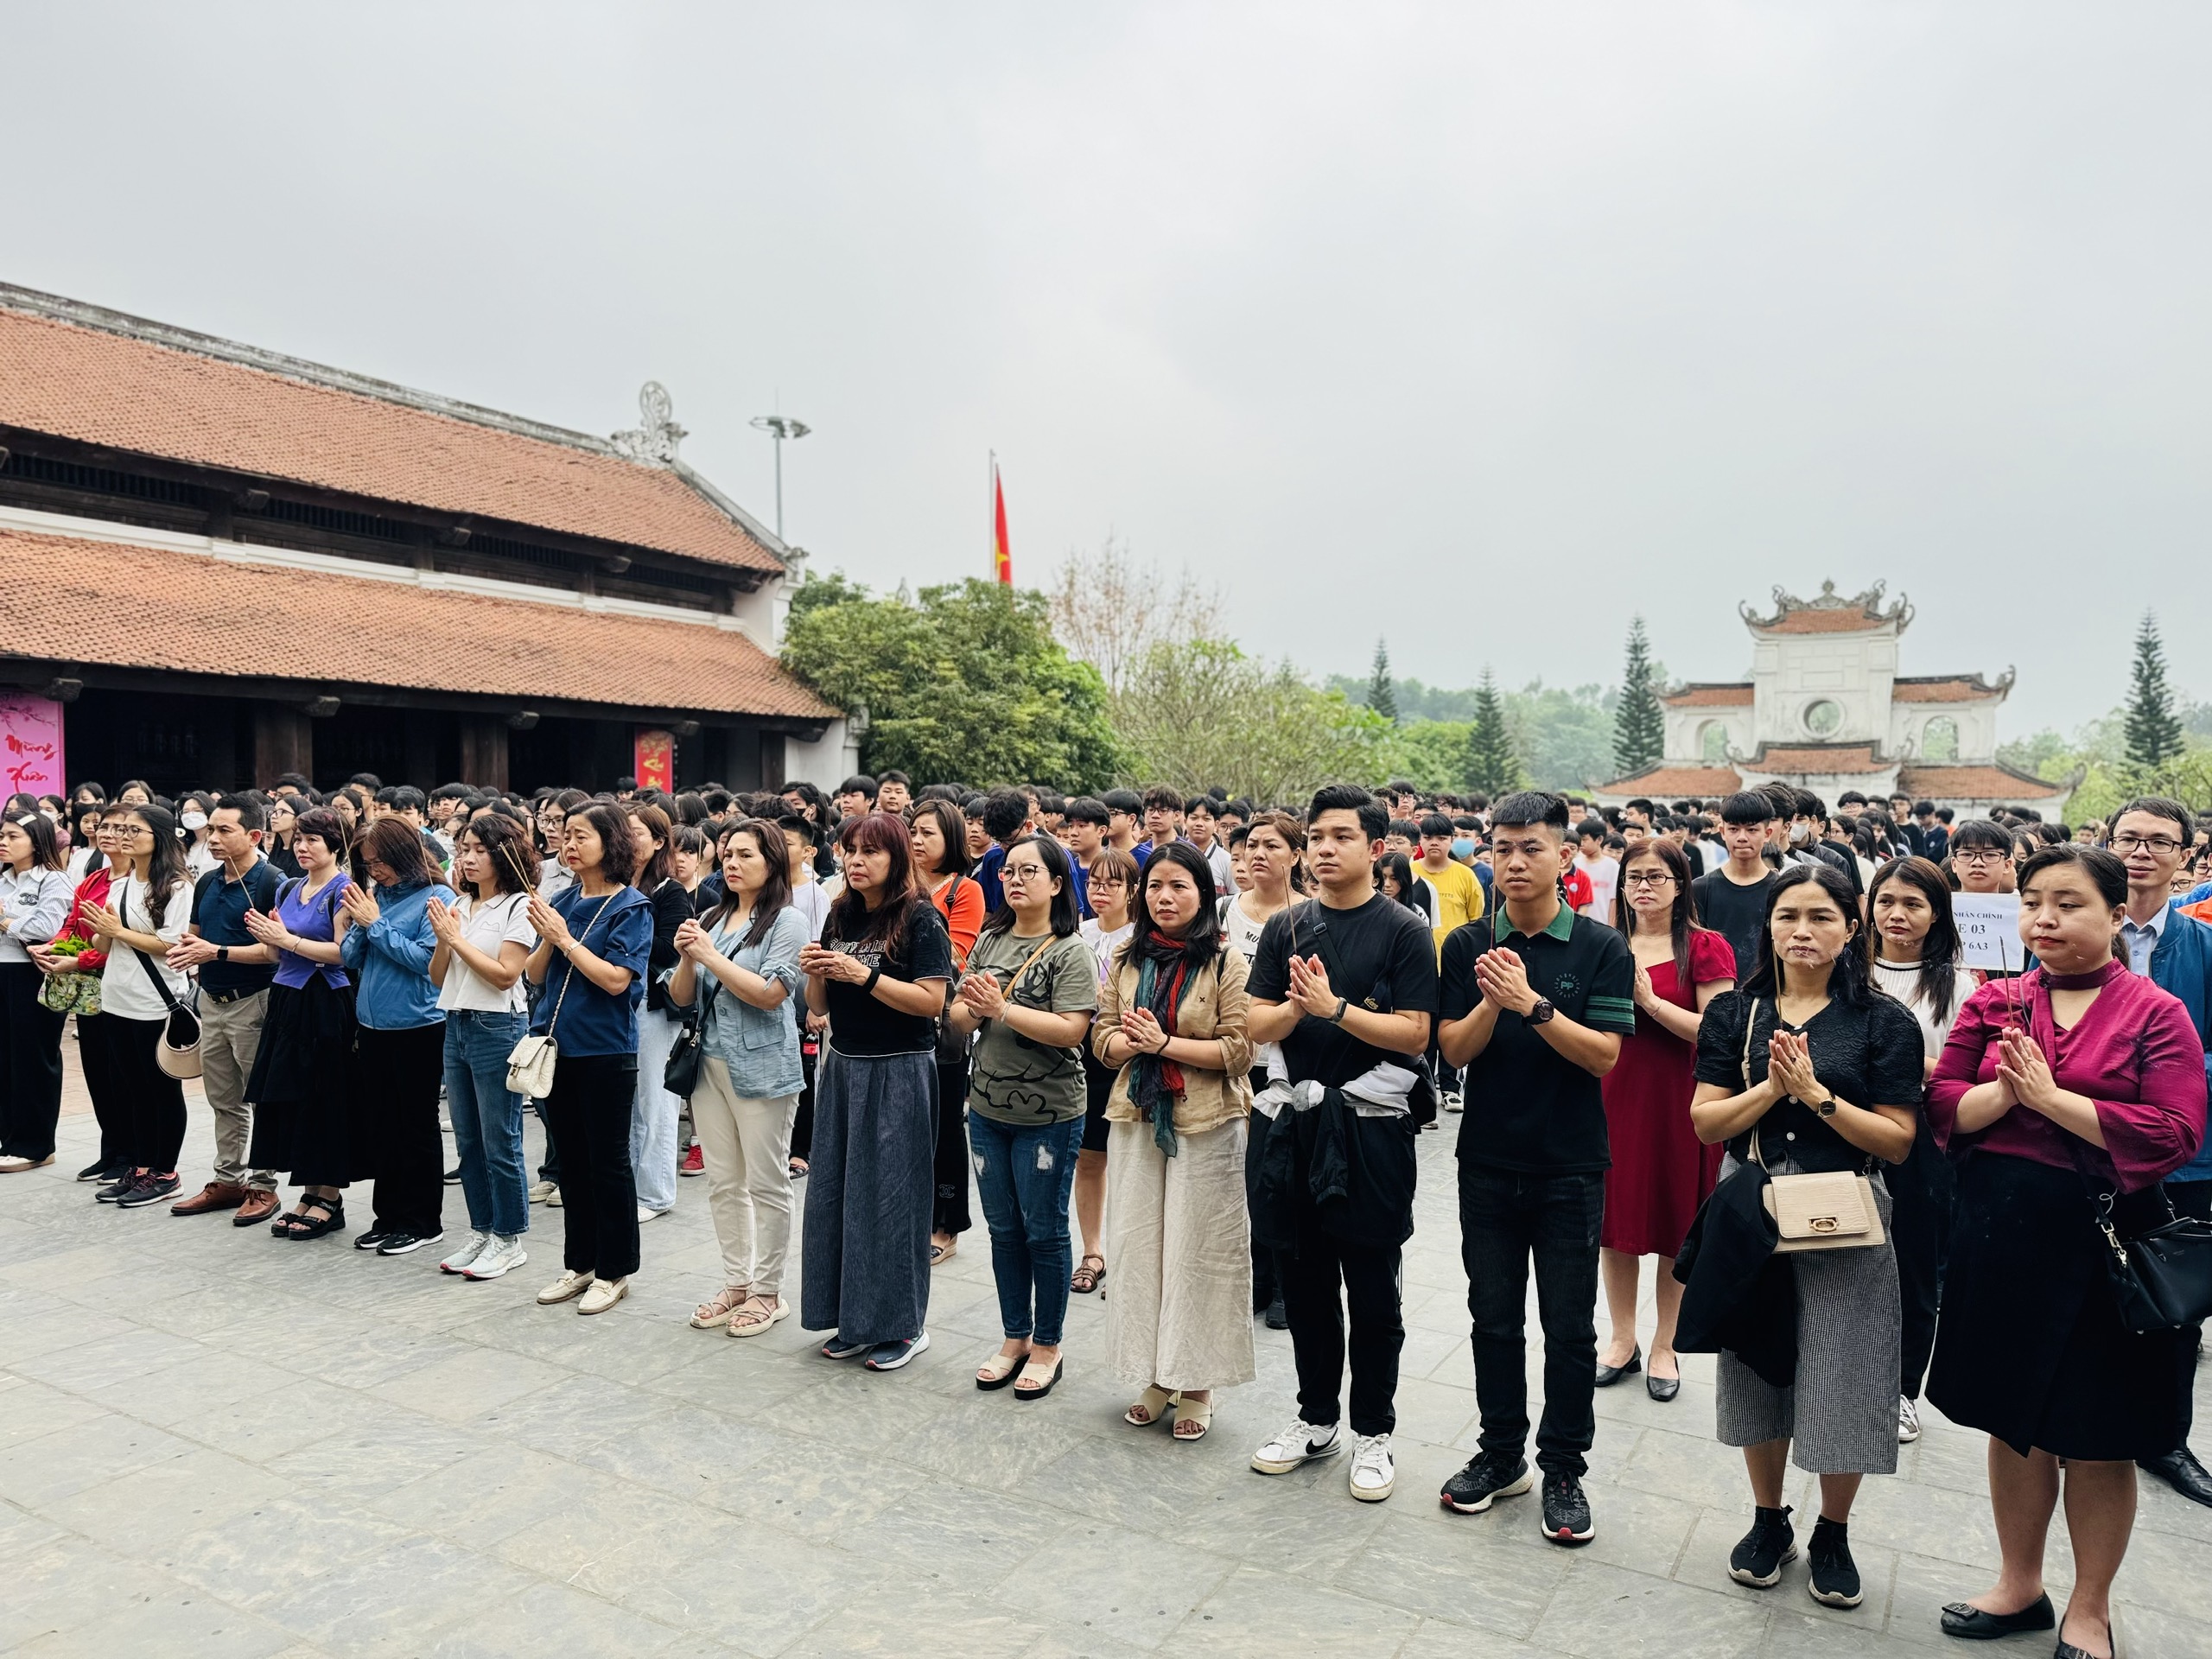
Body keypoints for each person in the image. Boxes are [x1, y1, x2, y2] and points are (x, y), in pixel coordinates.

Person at [1925, 844, 2206, 1659]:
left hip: (2105, 1249)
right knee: (2013, 1424)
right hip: (2003, 1237)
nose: (2044, 919)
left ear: (2117, 915)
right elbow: (1943, 1104)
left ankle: (2091, 1608)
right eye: (2033, 903)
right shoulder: (1998, 1001)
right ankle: (2019, 1584)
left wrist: (2051, 1100)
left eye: (2068, 904)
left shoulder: (2156, 1012)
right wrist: (2004, 1094)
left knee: (2098, 1435)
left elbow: (2175, 1132)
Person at [1685, 862, 1922, 1610]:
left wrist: (1818, 1096)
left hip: (1846, 1210)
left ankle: (1833, 1530)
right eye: (1788, 916)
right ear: (1769, 926)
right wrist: (1771, 1088)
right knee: (1757, 1362)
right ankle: (1768, 1519)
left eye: (1821, 917)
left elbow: (1897, 1141)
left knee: (1845, 1370)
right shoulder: (1736, 1012)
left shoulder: (1884, 1020)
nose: (1802, 931)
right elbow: (1706, 1122)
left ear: (1852, 928)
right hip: (1754, 1204)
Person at [1436, 791, 1636, 1544]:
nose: (1515, 862)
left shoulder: (1600, 947)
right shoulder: (1466, 945)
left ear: (1565, 855)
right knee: (1492, 1318)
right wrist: (1493, 1001)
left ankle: (1564, 1469)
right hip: (1486, 1160)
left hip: (1570, 1166)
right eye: (1503, 848)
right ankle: (1500, 1454)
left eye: (1532, 848)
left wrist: (1532, 1004)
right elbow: (1454, 1050)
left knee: (1569, 1328)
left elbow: (1604, 1056)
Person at [1246, 785, 1437, 1504]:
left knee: (1373, 1288)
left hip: (1372, 1128)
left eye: (1341, 837)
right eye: (1317, 837)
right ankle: (1316, 1418)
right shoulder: (1288, 926)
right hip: (1293, 1123)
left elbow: (1416, 1033)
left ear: (1376, 847)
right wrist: (1298, 1011)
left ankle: (1374, 1431)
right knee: (1303, 1282)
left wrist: (1336, 1009)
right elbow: (1255, 1023)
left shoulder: (1404, 930)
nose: (1324, 849)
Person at [1096, 840, 1255, 1440]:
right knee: (1140, 1247)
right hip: (1137, 1113)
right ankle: (1157, 1374)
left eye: (1179, 886)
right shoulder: (1125, 956)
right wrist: (1131, 1043)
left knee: (1199, 1252)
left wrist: (1163, 1044)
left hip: (1208, 1121)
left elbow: (1239, 1050)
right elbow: (1102, 1040)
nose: (1165, 897)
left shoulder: (1226, 960)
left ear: (1205, 894)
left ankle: (1198, 1383)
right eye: (1156, 886)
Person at [798, 811, 955, 1371]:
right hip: (844, 1068)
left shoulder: (921, 917)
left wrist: (861, 975)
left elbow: (932, 1002)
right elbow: (818, 1005)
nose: (857, 861)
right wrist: (817, 970)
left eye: (871, 851)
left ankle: (904, 1327)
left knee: (894, 1200)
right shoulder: (840, 912)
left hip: (900, 1071)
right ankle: (853, 1319)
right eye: (850, 850)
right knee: (837, 1196)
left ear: (897, 857)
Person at [948, 834, 1097, 1400]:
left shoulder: (1070, 950)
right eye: (1008, 871)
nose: (1014, 879)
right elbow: (958, 1020)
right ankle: (1015, 1336)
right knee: (1004, 1230)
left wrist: (1001, 1008)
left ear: (1057, 884)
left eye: (1028, 871)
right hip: (987, 1107)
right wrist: (971, 1009)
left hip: (1050, 1114)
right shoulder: (990, 938)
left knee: (1044, 1229)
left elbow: (1072, 1031)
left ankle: (1048, 1345)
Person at [1594, 836, 1734, 1402]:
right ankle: (1621, 1338)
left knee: (1678, 1223)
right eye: (1634, 877)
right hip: (1612, 1093)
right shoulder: (1605, 943)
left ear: (1681, 885)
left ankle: (1665, 1345)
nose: (1644, 887)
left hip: (1682, 1098)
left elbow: (1718, 1030)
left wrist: (1650, 1003)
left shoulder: (1705, 946)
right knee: (1616, 1221)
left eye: (1657, 876)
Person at [2101, 798, 2212, 1509]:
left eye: (2159, 842)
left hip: (2181, 1151)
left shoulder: (2203, 947)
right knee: (2084, 1285)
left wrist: (2166, 1076)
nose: (2141, 853)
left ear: (2186, 856)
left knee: (2176, 1301)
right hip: (2082, 1143)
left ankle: (2166, 1438)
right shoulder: (2069, 929)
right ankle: (2078, 1422)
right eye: (2129, 839)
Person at [667, 818, 809, 1338]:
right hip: (708, 1064)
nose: (732, 863)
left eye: (746, 855)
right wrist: (688, 959)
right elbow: (682, 996)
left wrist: (708, 954)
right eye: (728, 854)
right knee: (723, 1181)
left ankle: (768, 1292)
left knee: (766, 1182)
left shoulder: (787, 921)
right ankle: (736, 1283)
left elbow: (771, 995)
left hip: (763, 1066)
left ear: (772, 862)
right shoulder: (712, 915)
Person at [524, 802, 654, 1316]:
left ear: (610, 842)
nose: (570, 844)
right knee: (572, 1162)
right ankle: (580, 1263)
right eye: (566, 834)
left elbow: (617, 981)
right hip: (557, 1045)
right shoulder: (561, 898)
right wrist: (547, 937)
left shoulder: (631, 907)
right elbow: (535, 975)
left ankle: (614, 1270)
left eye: (582, 835)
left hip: (605, 1049)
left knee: (607, 1163)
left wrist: (563, 938)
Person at [1864, 855, 1975, 1445]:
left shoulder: (1959, 985)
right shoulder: (1846, 969)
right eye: (1886, 901)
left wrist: (1901, 1064)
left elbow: (1962, 1075)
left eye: (1913, 904)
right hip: (1846, 1131)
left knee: (1912, 1268)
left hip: (1923, 1141)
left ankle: (1903, 1388)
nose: (1897, 914)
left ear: (1937, 914)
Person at [425, 815, 540, 1281]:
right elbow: (438, 977)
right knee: (468, 1139)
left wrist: (455, 939)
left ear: (504, 854)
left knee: (500, 1139)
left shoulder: (519, 905)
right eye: (464, 849)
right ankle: (482, 1229)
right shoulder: (460, 904)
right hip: (456, 1021)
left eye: (479, 850)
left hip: (498, 1025)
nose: (468, 858)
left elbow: (506, 975)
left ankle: (508, 1238)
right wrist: (444, 942)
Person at [164, 796, 283, 1222]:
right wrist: (186, 950)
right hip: (211, 1003)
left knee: (261, 1098)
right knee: (223, 1099)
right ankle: (228, 1180)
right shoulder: (208, 882)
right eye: (210, 830)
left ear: (254, 836)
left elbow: (275, 952)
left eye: (224, 830)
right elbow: (194, 936)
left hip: (254, 1001)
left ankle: (264, 1185)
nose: (212, 838)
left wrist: (214, 952)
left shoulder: (272, 882)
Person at [244, 808, 361, 1238]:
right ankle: (309, 1193)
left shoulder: (344, 889)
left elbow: (344, 954)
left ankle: (329, 1196)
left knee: (325, 1098)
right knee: (292, 1099)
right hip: (286, 999)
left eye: (313, 839)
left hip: (324, 1002)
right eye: (299, 839)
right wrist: (269, 938)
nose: (302, 847)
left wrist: (287, 940)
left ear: (335, 845)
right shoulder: (289, 887)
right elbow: (275, 954)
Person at [339, 818, 448, 1256]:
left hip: (419, 1025)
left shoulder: (437, 897)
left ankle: (423, 1221)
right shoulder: (377, 895)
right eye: (367, 863)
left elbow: (424, 961)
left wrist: (376, 925)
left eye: (380, 861)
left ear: (404, 855)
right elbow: (350, 957)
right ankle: (388, 1217)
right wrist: (358, 922)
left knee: (416, 1126)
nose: (375, 871)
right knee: (382, 1124)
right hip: (372, 1025)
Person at [83, 804, 195, 1207]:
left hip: (155, 1002)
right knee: (132, 1089)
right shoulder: (122, 883)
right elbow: (105, 944)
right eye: (122, 829)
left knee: (161, 1089)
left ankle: (167, 1172)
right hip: (116, 997)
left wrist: (118, 930)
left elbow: (171, 945)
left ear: (158, 837)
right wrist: (101, 930)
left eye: (135, 830)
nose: (124, 836)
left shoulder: (177, 887)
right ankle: (142, 1166)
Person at [30, 809, 127, 1182]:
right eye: (104, 827)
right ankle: (111, 1150)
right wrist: (53, 947)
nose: (108, 834)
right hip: (87, 988)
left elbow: (122, 942)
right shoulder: (92, 880)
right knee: (97, 1071)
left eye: (120, 828)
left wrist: (78, 960)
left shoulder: (136, 883)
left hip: (119, 984)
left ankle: (130, 1155)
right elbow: (71, 924)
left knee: (122, 1073)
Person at [910, 798, 983, 1266]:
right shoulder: (898, 883)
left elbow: (956, 956)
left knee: (945, 1126)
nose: (917, 841)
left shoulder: (963, 890)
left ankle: (947, 1222)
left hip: (942, 1024)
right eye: (913, 832)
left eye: (928, 833)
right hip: (896, 1020)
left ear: (951, 839)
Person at [1072, 847, 1140, 1296]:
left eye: (1113, 883)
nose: (1102, 891)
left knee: (1133, 1159)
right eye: (1095, 882)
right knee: (1090, 1156)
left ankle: (1132, 1255)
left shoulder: (1142, 939)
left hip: (1129, 1051)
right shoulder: (1079, 933)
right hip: (1085, 1050)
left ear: (1132, 890)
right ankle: (1092, 1251)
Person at [0, 810, 74, 1173]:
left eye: (13, 836)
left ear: (36, 840)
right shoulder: (4, 878)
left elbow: (46, 928)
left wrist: (4, 919)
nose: (4, 842)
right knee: (5, 1058)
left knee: (33, 1058)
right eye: (2, 835)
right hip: (3, 970)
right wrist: (15, 922)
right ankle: (9, 1138)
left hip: (32, 974)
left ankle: (36, 1144)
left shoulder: (53, 879)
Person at [627, 804, 690, 1224]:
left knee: (655, 1101)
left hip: (652, 1005)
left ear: (658, 841)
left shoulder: (670, 891)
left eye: (636, 833)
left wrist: (625, 940)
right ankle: (632, 1185)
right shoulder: (613, 884)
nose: (628, 840)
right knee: (629, 1101)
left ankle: (655, 1194)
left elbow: (671, 949)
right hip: (616, 1004)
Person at [1694, 791, 1779, 979]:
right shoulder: (1700, 889)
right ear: (1722, 832)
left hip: (1768, 989)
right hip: (1714, 988)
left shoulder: (1781, 890)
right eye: (1733, 829)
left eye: (1752, 830)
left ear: (1767, 834)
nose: (1742, 837)